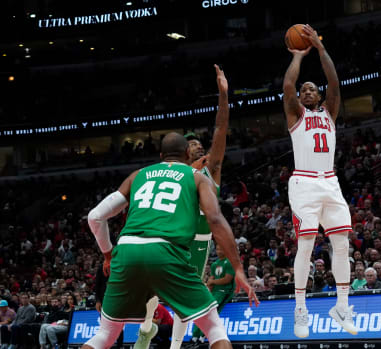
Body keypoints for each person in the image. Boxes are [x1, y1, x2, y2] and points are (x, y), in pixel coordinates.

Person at [82, 132, 258, 349]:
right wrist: (238, 267)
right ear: (186, 153)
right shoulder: (196, 177)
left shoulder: (138, 175)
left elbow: (95, 216)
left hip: (127, 251)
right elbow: (214, 218)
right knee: (214, 328)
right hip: (166, 250)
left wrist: (108, 255)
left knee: (105, 335)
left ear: (161, 155)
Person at [142, 64, 229, 349]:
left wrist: (223, 95)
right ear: (182, 152)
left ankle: (175, 347)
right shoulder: (172, 172)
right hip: (174, 234)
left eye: (200, 144)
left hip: (201, 238)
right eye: (192, 144)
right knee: (155, 289)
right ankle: (146, 328)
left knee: (186, 295)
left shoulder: (210, 170)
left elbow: (220, 128)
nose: (198, 146)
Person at [283, 24, 356, 338]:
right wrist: (299, 56)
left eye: (314, 88)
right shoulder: (295, 114)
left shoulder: (330, 111)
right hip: (304, 184)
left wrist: (321, 49)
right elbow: (287, 85)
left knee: (342, 246)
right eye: (305, 89)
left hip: (330, 182)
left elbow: (335, 84)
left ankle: (341, 307)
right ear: (300, 97)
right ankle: (300, 309)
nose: (310, 91)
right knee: (306, 245)